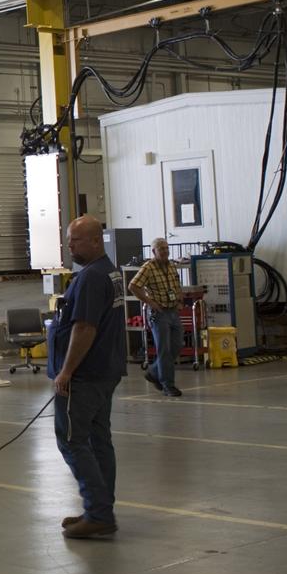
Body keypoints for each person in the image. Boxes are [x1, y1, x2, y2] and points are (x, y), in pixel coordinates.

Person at [49, 215, 127, 539]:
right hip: (104, 371)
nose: (70, 246)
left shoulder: (93, 277)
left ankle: (98, 513)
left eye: (75, 240)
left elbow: (85, 328)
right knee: (98, 441)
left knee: (72, 440)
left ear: (96, 241)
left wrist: (66, 371)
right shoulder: (108, 271)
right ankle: (100, 508)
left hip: (85, 376)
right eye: (69, 240)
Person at [128, 238, 184, 397]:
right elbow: (133, 286)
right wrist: (150, 302)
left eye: (166, 248)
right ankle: (168, 385)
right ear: (154, 252)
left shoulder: (172, 265)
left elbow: (176, 284)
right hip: (158, 313)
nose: (165, 251)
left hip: (173, 311)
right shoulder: (148, 267)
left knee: (177, 344)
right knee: (164, 350)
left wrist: (180, 300)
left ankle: (153, 371)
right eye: (161, 249)